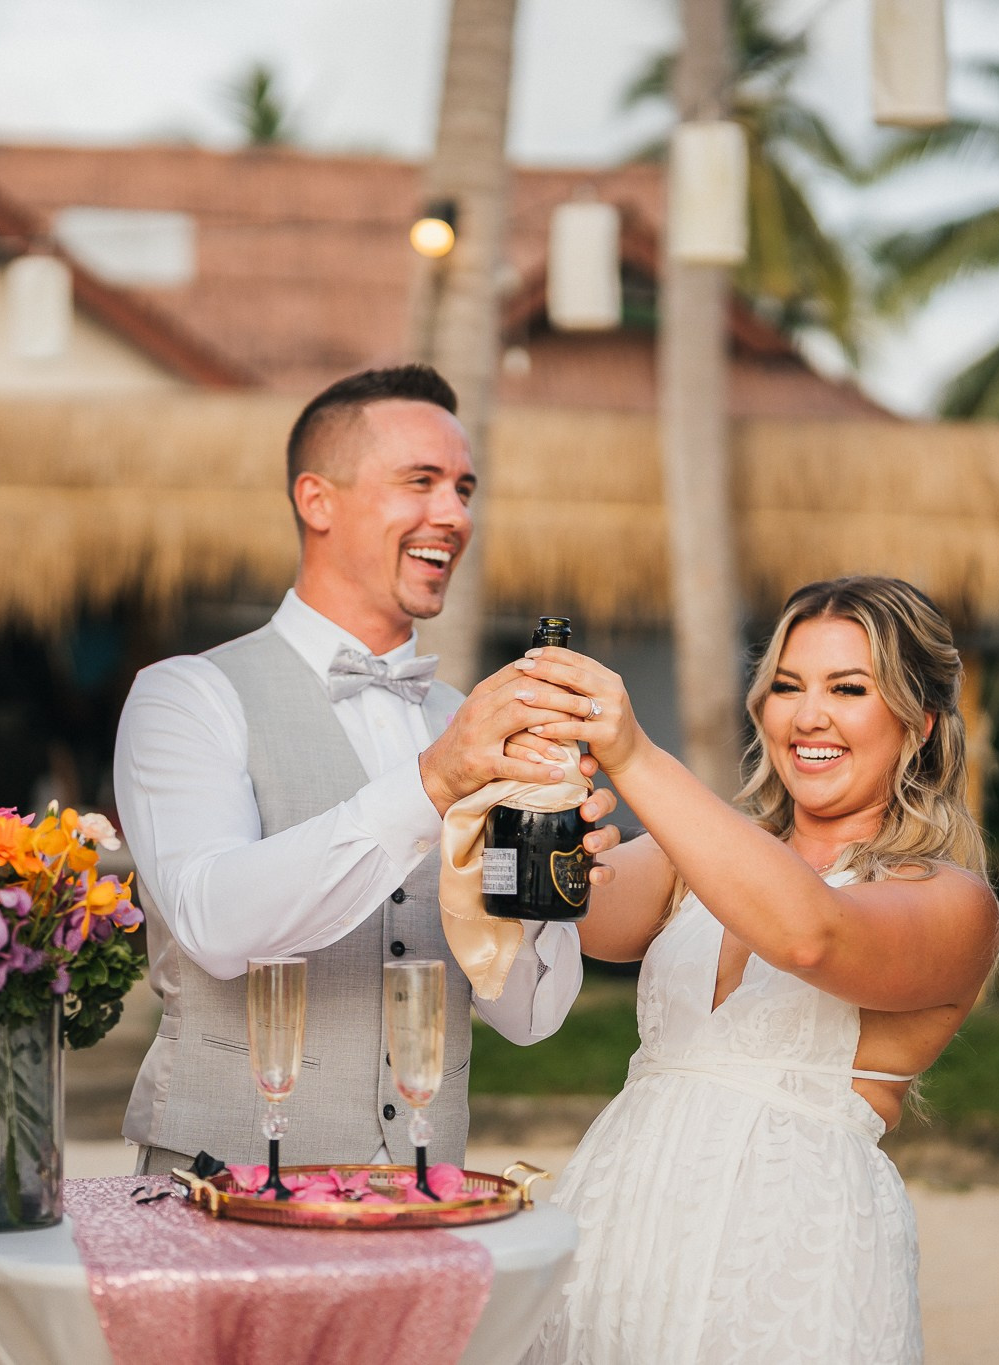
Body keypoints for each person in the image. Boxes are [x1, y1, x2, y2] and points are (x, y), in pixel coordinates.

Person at [112, 364, 621, 1175]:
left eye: (464, 488)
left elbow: (530, 1017)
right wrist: (433, 782)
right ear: (317, 500)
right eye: (420, 481)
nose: (453, 514)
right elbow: (213, 923)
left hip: (424, 1190)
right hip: (221, 1189)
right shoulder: (189, 694)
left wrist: (544, 887)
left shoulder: (468, 717)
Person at [506, 576, 999, 1365]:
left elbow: (813, 934)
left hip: (788, 1270)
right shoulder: (698, 854)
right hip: (617, 1228)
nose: (809, 715)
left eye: (848, 687)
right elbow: (579, 913)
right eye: (786, 686)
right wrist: (537, 804)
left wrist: (633, 752)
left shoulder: (953, 902)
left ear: (920, 722)